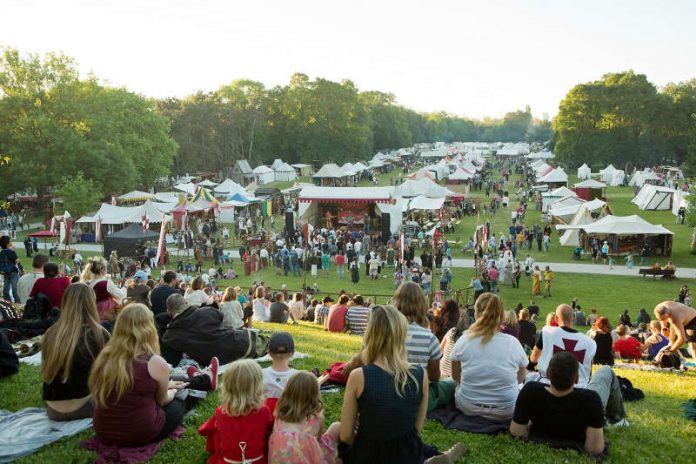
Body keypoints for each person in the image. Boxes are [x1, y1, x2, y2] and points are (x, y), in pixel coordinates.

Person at [338, 305, 465, 464]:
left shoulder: (359, 376)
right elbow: (416, 430)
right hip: (407, 455)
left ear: (369, 335)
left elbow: (345, 435)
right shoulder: (421, 375)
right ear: (402, 335)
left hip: (368, 456)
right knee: (409, 443)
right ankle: (437, 456)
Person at [90, 304, 217, 447]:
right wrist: (173, 391)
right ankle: (205, 380)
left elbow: (131, 390)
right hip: (141, 432)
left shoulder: (104, 358)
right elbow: (162, 401)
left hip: (104, 431)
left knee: (171, 382)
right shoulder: (154, 362)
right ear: (149, 328)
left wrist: (168, 386)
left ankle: (205, 379)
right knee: (179, 401)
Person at [510, 352, 606, 456]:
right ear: (577, 378)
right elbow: (594, 449)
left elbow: (517, 433)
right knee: (606, 371)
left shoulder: (531, 391)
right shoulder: (591, 399)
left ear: (547, 373)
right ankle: (618, 419)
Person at [450, 293, 527, 421]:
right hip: (505, 410)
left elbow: (456, 377)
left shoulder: (464, 340)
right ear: (501, 315)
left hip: (468, 407)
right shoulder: (512, 342)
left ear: (476, 314)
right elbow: (520, 378)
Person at [42, 284, 109, 420]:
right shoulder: (99, 333)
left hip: (53, 409)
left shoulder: (51, 333)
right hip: (86, 406)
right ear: (91, 303)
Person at [198, 360, 274, 464]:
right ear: (257, 386)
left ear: (228, 386)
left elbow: (208, 430)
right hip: (258, 461)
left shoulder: (222, 411)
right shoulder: (263, 411)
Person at [161, 294, 256, 366]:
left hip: (223, 355)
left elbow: (172, 362)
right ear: (186, 303)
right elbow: (220, 317)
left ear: (168, 311)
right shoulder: (207, 312)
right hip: (241, 343)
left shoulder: (170, 336)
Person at [269, 371, 340, 463]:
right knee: (336, 426)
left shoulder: (279, 415)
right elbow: (317, 442)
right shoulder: (316, 418)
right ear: (315, 395)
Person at [529, 304, 597, 388]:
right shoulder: (590, 343)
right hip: (578, 388)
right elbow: (589, 370)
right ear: (574, 318)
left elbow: (534, 358)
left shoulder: (547, 333)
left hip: (548, 384)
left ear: (556, 318)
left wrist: (529, 366)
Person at [81, 257, 127, 321]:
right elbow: (121, 295)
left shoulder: (88, 283)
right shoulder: (106, 284)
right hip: (106, 315)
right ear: (102, 269)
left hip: (93, 313)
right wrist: (126, 286)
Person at [262, 332, 297, 399]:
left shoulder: (260, 374)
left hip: (265, 409)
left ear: (269, 353)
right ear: (292, 353)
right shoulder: (297, 377)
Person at [0, 235, 21, 302]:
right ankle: (17, 302)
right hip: (13, 272)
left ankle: (7, 302)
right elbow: (17, 261)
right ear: (8, 243)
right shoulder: (12, 252)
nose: (12, 242)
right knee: (15, 288)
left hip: (5, 272)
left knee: (6, 289)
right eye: (11, 240)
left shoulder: (1, 252)